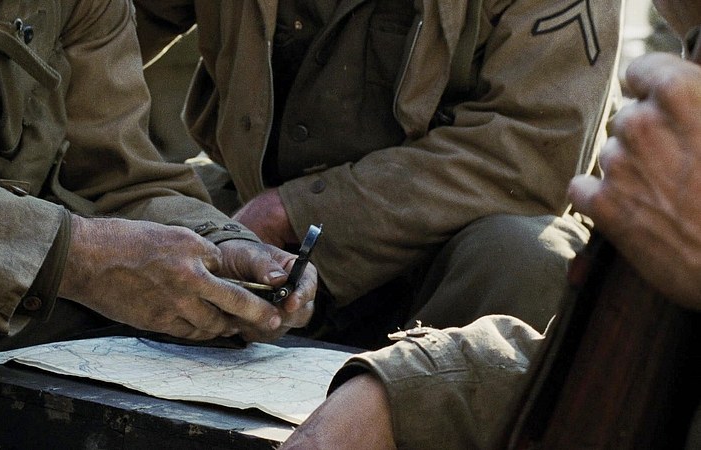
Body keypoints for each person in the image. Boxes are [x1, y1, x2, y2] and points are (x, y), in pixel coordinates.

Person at [0, 0, 315, 448]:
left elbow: (117, 175)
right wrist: (73, 254)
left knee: (205, 335)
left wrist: (218, 250)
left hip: (22, 267)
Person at [280, 1, 701, 447]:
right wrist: (394, 396)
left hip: (444, 265)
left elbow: (529, 155)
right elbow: (606, 369)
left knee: (526, 255)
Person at [133, 0, 624, 349]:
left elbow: (529, 154)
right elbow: (104, 30)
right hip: (253, 213)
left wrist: (293, 212)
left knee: (527, 257)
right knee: (119, 224)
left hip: (448, 252)